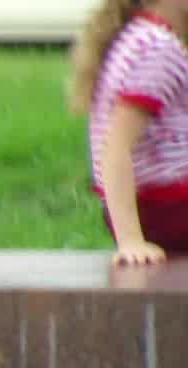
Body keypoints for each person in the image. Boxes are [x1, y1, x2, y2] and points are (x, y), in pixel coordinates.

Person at [70, 0, 188, 266]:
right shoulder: (158, 49)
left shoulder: (138, 36)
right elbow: (116, 147)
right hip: (165, 207)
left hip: (157, 206)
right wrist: (131, 240)